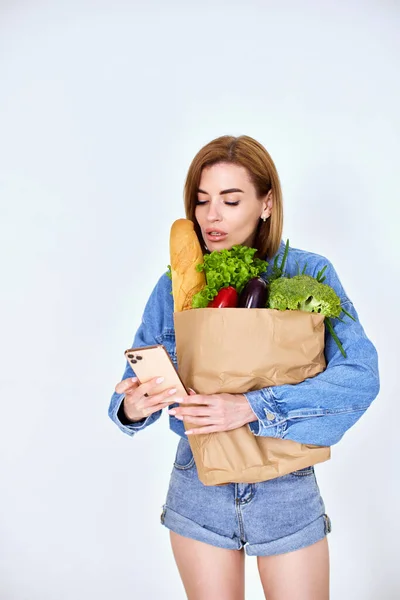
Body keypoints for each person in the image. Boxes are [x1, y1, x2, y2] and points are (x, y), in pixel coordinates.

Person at [108, 135, 379, 600]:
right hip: (198, 484)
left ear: (266, 202)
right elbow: (129, 397)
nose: (212, 216)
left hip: (284, 487)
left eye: (231, 200)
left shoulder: (308, 272)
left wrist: (252, 406)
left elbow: (360, 377)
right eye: (201, 201)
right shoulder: (174, 283)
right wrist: (134, 404)